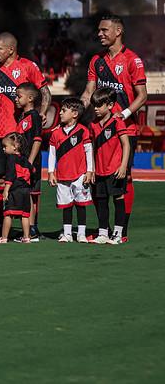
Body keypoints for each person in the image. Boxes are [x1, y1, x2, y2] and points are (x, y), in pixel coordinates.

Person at [80, 15, 146, 241]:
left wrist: (124, 113)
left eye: (104, 30)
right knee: (98, 178)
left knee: (123, 177)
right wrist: (77, 112)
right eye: (98, 30)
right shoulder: (96, 61)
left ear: (118, 31)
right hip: (98, 128)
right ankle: (103, 231)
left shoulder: (132, 60)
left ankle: (122, 230)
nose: (99, 34)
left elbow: (143, 96)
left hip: (125, 128)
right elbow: (89, 92)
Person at [0, 32, 49, 236]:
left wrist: (43, 113)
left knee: (26, 181)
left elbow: (45, 92)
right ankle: (1, 225)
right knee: (0, 181)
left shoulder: (28, 66)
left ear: (11, 49)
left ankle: (32, 226)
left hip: (18, 136)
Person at [47, 98, 93, 243]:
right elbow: (52, 153)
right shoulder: (56, 134)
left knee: (81, 205)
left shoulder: (83, 131)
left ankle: (81, 233)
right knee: (66, 206)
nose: (60, 113)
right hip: (62, 176)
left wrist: (89, 171)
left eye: (63, 110)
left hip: (80, 174)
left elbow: (88, 151)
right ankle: (67, 233)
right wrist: (50, 172)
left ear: (74, 114)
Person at [89, 88, 131, 245]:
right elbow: (92, 147)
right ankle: (103, 233)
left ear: (110, 105)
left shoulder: (117, 122)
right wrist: (92, 168)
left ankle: (118, 234)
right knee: (101, 202)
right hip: (99, 170)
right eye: (94, 105)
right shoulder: (93, 125)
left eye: (99, 105)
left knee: (118, 200)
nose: (96, 108)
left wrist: (123, 166)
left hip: (115, 170)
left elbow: (126, 144)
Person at [14, 83, 43, 240]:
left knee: (31, 195)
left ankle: (32, 229)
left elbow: (38, 140)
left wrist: (30, 162)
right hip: (22, 163)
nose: (16, 99)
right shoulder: (22, 116)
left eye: (19, 96)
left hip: (30, 164)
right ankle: (29, 227)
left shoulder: (34, 116)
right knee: (25, 194)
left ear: (30, 98)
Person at [0, 133, 34, 244]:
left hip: (15, 190)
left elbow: (10, 174)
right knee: (25, 215)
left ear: (15, 146)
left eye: (5, 146)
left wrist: (6, 189)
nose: (3, 149)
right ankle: (26, 237)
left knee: (8, 214)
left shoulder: (11, 158)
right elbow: (33, 170)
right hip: (26, 191)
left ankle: (4, 237)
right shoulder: (25, 160)